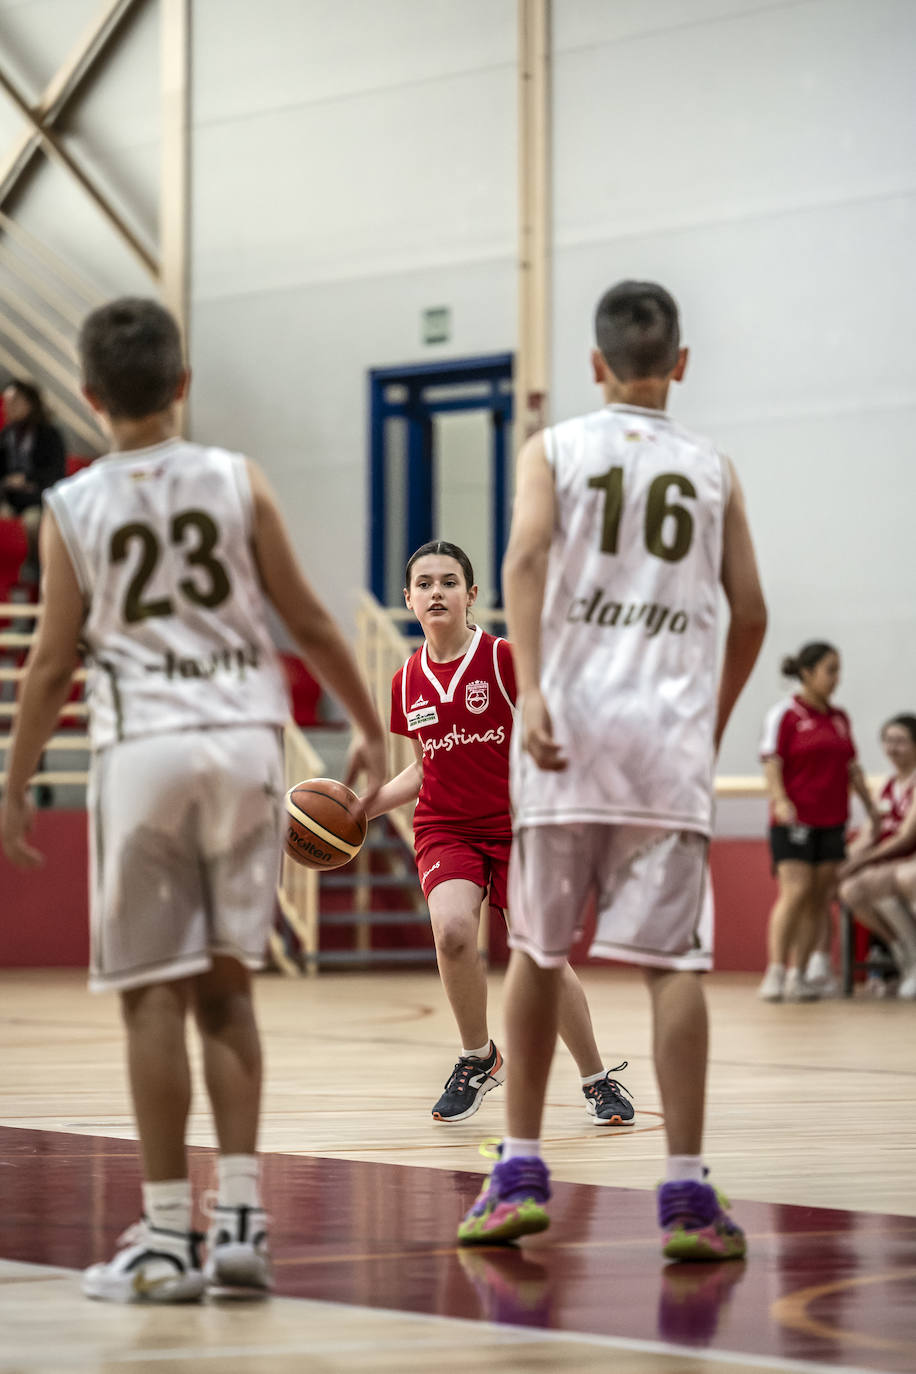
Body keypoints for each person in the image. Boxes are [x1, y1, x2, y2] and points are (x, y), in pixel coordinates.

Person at [0, 297, 386, 1304]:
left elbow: (48, 665)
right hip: (248, 739)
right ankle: (246, 1225)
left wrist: (14, 782)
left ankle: (169, 1233)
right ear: (184, 384)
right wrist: (372, 724)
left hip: (147, 751)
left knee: (150, 998)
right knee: (227, 989)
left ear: (88, 397)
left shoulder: (72, 508)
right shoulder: (235, 477)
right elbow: (303, 613)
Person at [457, 279, 768, 1260]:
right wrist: (706, 725)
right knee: (672, 966)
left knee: (539, 953)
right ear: (679, 363)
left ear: (594, 365)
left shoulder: (551, 449)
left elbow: (521, 557)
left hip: (567, 734)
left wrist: (536, 692)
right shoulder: (713, 469)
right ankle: (683, 1194)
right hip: (666, 745)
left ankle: (515, 1171)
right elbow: (750, 611)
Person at [367, 539, 635, 1126]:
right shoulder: (405, 681)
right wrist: (363, 808)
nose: (437, 592)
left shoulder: (506, 660)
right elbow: (423, 766)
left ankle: (595, 1079)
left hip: (522, 826)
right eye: (425, 584)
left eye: (449, 582)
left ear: (471, 595)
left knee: (542, 956)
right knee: (454, 932)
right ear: (409, 598)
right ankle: (478, 1058)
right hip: (446, 826)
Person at [757, 643, 879, 1002]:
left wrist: (871, 807)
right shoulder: (786, 714)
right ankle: (776, 972)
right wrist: (780, 799)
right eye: (830, 670)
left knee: (818, 899)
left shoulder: (839, 718)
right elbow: (771, 761)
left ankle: (800, 974)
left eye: (839, 670)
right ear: (807, 673)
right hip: (794, 820)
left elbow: (851, 768)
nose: (836, 678)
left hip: (833, 821)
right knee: (794, 893)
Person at [838, 714, 916, 999]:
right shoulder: (886, 784)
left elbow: (906, 837)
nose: (893, 748)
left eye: (901, 741)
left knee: (903, 876)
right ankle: (904, 953)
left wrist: (863, 861)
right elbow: (870, 832)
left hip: (908, 861)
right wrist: (843, 860)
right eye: (888, 741)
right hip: (892, 865)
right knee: (850, 888)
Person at [0, 379, 66, 571]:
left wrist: (28, 479)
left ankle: (35, 576)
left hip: (36, 501)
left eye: (14, 402)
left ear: (29, 403)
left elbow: (56, 473)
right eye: (6, 402)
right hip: (9, 500)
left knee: (34, 524)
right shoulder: (6, 435)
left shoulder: (49, 435)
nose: (8, 407)